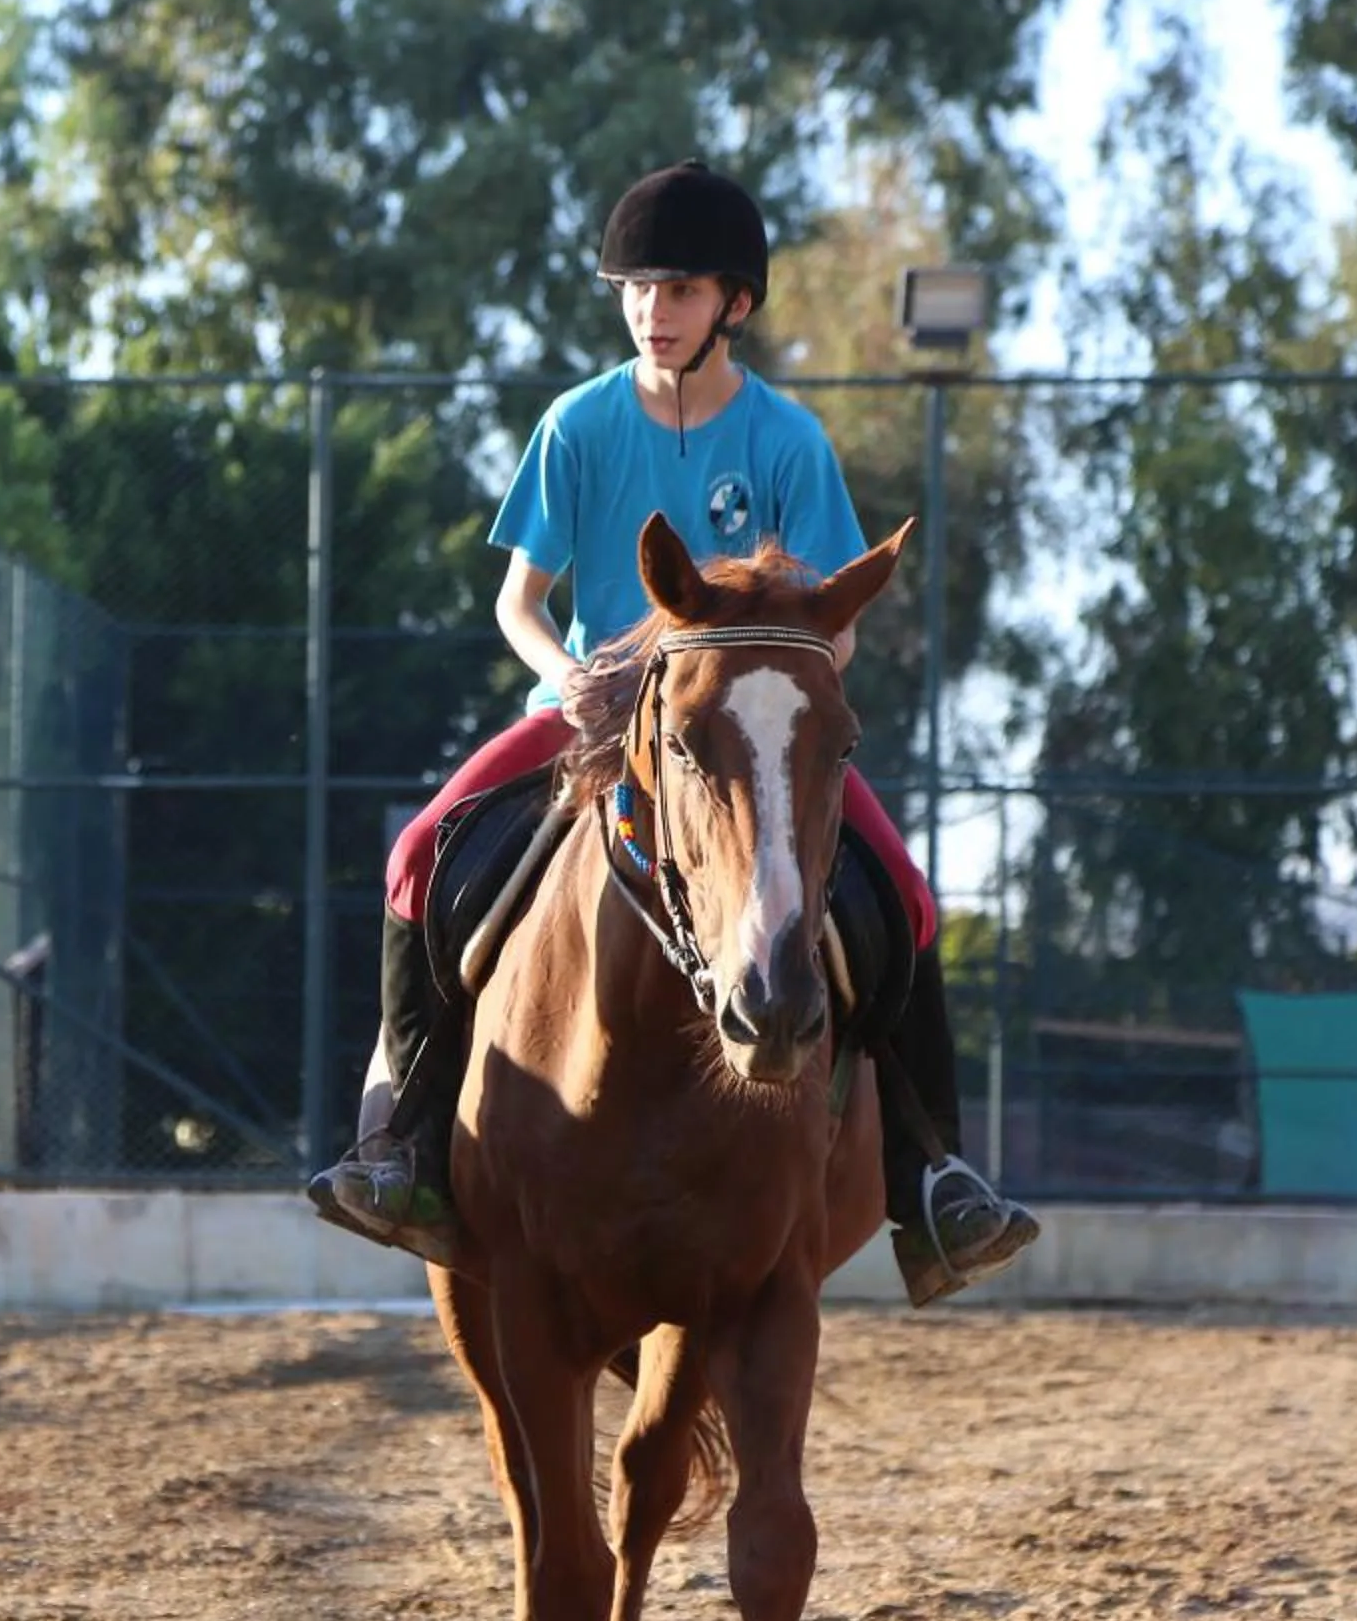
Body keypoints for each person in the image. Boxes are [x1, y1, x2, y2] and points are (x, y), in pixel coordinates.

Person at [306, 160, 1037, 1305]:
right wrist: (572, 678)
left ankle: (933, 1173)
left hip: (746, 731)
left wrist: (791, 691)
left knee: (904, 893)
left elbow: (829, 621)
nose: (655, 310)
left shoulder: (788, 442)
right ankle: (395, 1141)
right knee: (417, 857)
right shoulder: (576, 423)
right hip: (588, 714)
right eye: (637, 288)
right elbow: (519, 601)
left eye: (681, 289)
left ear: (733, 303)